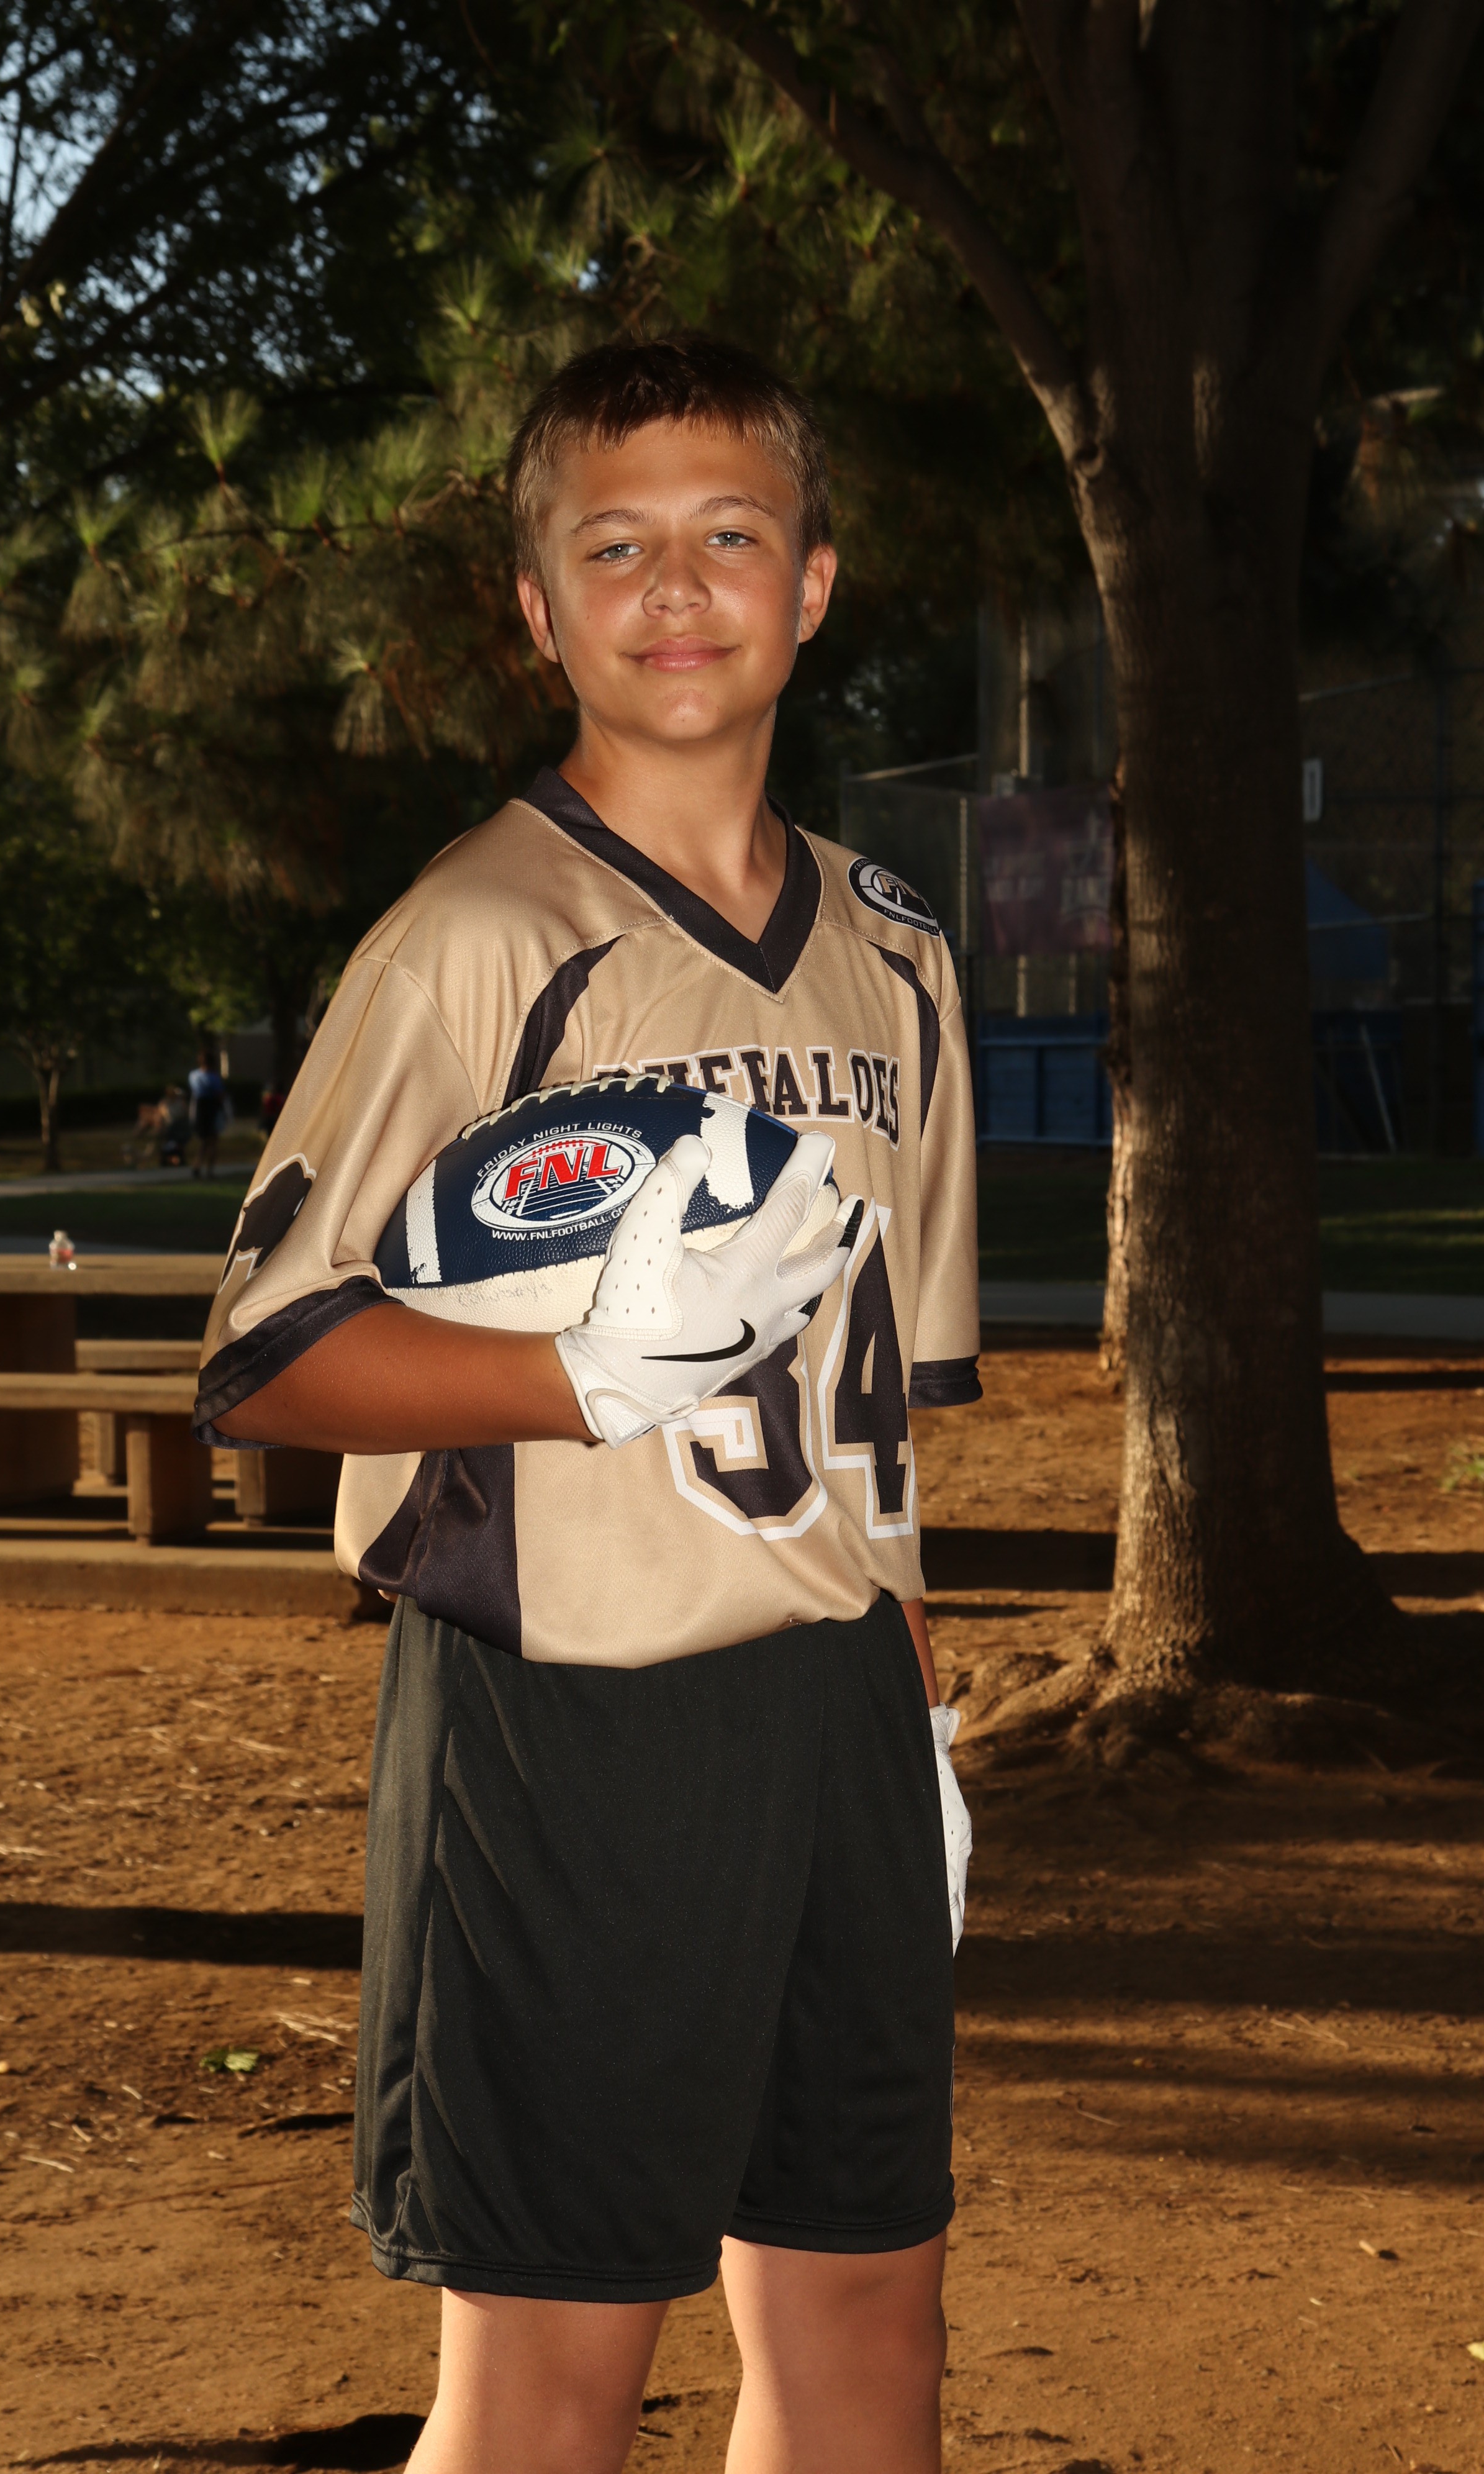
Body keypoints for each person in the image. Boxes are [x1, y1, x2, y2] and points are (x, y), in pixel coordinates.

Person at [195, 335, 980, 2474]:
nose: (677, 586)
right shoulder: (477, 931)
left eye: (730, 532)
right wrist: (571, 1371)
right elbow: (265, 1350)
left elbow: (881, 1403)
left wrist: (910, 1702)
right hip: (573, 1714)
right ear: (538, 609)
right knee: (550, 2380)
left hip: (835, 1701)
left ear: (813, 582)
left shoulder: (895, 946)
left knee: (866, 2316)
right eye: (614, 546)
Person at [188, 1047, 226, 1179]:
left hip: (199, 1109)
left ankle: (197, 1165)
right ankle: (210, 1170)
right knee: (213, 1141)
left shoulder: (193, 1076)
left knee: (204, 1141)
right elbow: (220, 1095)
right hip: (212, 1108)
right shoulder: (214, 1078)